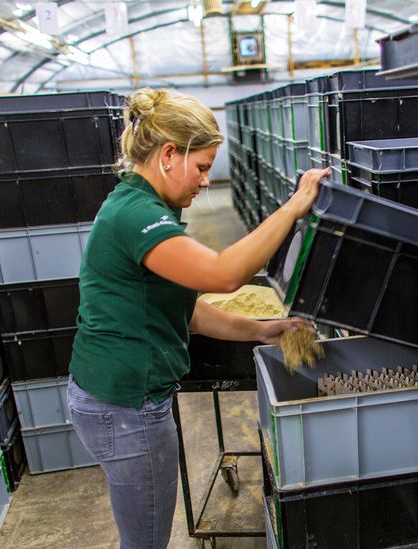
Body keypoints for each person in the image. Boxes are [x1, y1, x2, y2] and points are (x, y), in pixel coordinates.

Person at [67, 87, 330, 549]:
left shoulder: (144, 205)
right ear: (169, 154)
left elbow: (183, 310)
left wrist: (259, 330)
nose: (207, 180)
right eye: (203, 166)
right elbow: (224, 274)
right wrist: (293, 207)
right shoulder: (136, 216)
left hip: (118, 400)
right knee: (145, 542)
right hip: (126, 408)